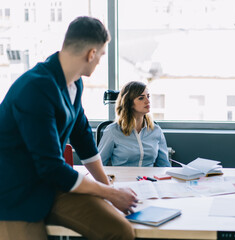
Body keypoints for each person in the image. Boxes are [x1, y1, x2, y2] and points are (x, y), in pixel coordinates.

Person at [0, 17, 137, 240]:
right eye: (101, 56)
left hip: (51, 185)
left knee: (119, 230)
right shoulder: (35, 88)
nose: (99, 61)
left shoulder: (74, 82)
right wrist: (110, 193)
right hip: (16, 193)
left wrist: (107, 188)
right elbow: (51, 166)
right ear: (91, 54)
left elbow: (82, 136)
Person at [99, 81, 171, 167]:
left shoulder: (156, 130)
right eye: (141, 98)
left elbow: (164, 166)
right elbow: (99, 165)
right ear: (129, 103)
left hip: (148, 179)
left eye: (148, 96)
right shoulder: (112, 131)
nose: (147, 101)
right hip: (122, 179)